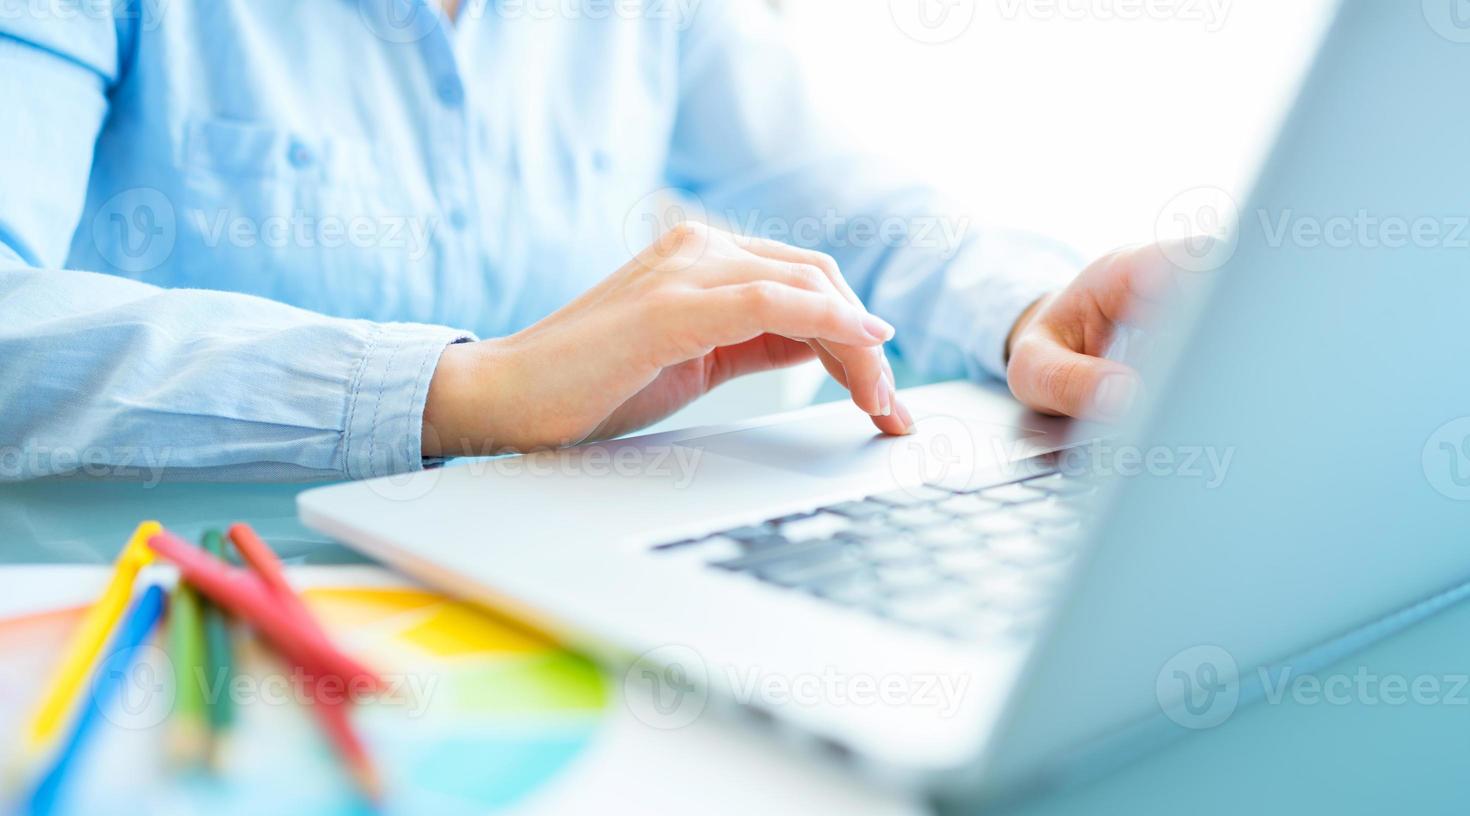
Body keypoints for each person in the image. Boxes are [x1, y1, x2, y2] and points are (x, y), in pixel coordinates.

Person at [0, 0, 1170, 483]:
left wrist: (1025, 312)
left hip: (540, 610)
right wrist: (466, 390)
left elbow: (839, 196)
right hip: (177, 621)